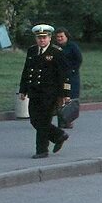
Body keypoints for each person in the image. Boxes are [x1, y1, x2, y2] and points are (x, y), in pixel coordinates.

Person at [18, 24, 71, 159]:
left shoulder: (56, 52)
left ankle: (41, 150)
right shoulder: (32, 51)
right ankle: (59, 135)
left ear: (49, 38)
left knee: (43, 121)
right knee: (34, 120)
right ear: (36, 38)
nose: (42, 40)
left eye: (44, 37)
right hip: (34, 92)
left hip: (50, 94)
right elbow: (26, 71)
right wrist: (22, 90)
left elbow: (64, 75)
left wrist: (65, 95)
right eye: (39, 38)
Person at [53, 28, 82, 129]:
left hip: (71, 77)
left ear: (66, 36)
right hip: (58, 77)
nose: (59, 38)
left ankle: (68, 121)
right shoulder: (54, 47)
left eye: (61, 36)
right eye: (57, 37)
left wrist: (73, 70)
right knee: (59, 99)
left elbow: (79, 59)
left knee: (70, 99)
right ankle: (61, 122)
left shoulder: (72, 46)